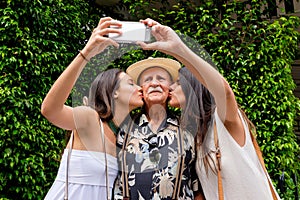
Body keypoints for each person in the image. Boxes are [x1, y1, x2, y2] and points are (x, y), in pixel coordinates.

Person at [138, 19, 281, 199]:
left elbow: (225, 93)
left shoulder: (223, 120)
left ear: (193, 87)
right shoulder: (197, 136)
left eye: (177, 83)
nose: (170, 88)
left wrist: (177, 48)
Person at [41, 17, 144, 199]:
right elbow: (50, 110)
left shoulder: (127, 136)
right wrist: (87, 53)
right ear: (114, 93)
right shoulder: (90, 118)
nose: (140, 88)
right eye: (131, 83)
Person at [113, 54, 200, 198]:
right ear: (141, 89)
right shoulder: (124, 130)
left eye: (161, 79)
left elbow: (196, 185)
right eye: (148, 80)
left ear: (170, 88)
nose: (154, 84)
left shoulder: (187, 129)